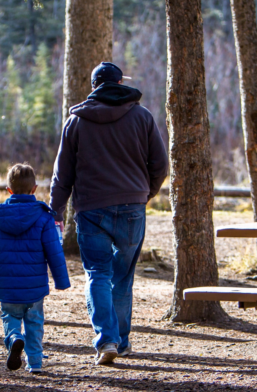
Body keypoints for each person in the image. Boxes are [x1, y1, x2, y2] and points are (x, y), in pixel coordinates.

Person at [50, 62, 169, 365]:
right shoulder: (142, 117)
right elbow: (160, 165)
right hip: (132, 207)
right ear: (119, 83)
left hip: (91, 210)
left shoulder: (76, 122)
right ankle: (123, 342)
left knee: (98, 275)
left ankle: (108, 341)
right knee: (123, 278)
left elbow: (62, 175)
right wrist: (145, 193)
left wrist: (56, 211)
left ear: (94, 87)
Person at [0, 163, 71, 373]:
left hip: (7, 285)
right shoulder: (44, 217)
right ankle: (35, 363)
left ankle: (13, 339)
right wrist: (61, 280)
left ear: (8, 190)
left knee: (10, 316)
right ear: (34, 189)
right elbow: (53, 251)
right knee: (35, 322)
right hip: (34, 285)